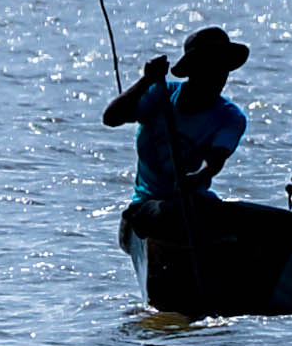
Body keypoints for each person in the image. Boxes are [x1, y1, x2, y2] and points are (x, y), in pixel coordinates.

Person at [105, 23, 250, 218]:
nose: (219, 77)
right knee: (170, 213)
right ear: (193, 70)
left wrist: (198, 178)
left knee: (283, 221)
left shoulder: (230, 117)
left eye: (223, 69)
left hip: (194, 201)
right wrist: (146, 80)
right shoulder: (160, 95)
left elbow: (215, 162)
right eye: (210, 68)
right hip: (150, 203)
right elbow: (111, 118)